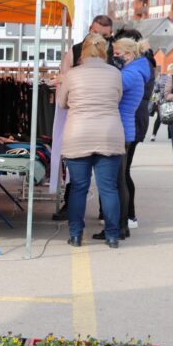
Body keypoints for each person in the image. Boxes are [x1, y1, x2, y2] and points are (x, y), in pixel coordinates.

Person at [55, 33, 124, 248]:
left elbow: (61, 103)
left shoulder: (72, 74)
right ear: (105, 51)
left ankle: (76, 235)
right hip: (109, 133)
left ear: (83, 51)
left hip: (79, 134)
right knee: (109, 188)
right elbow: (118, 98)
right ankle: (112, 236)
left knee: (78, 188)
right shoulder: (115, 73)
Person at [52, 15, 115, 222]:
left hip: (103, 119)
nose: (101, 38)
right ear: (90, 29)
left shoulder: (113, 53)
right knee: (77, 172)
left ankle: (103, 212)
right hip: (77, 114)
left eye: (105, 35)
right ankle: (70, 206)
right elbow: (63, 80)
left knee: (105, 176)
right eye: (97, 33)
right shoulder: (75, 51)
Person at [94, 38, 150, 240]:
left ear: (128, 54)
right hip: (124, 131)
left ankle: (118, 226)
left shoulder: (129, 75)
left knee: (116, 183)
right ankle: (122, 226)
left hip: (119, 131)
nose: (113, 57)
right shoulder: (136, 72)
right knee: (120, 181)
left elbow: (106, 92)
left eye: (116, 53)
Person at [149, 63, 173, 141]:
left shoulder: (162, 78)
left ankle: (153, 135)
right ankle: (170, 137)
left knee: (159, 119)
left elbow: (155, 90)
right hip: (172, 101)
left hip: (161, 102)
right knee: (171, 118)